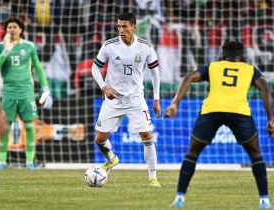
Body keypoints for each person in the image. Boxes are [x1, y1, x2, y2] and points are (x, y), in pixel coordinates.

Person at [165, 40, 274, 209]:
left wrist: (174, 103)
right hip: (240, 111)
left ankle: (180, 198)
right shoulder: (250, 69)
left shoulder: (213, 66)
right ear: (242, 55)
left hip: (212, 110)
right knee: (255, 154)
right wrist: (270, 119)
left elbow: (188, 77)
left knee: (192, 152)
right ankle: (265, 200)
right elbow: (266, 90)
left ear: (223, 54)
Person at [91, 13, 162, 187]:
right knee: (99, 139)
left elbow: (155, 72)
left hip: (135, 98)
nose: (121, 30)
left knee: (147, 135)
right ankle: (112, 159)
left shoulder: (145, 47)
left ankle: (153, 177)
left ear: (133, 27)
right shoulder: (109, 46)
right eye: (119, 26)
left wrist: (156, 98)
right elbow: (95, 67)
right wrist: (104, 87)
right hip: (113, 99)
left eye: (124, 26)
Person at [0, 17, 53, 170]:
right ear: (6, 30)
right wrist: (5, 52)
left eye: (14, 26)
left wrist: (46, 88)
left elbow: (38, 68)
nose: (11, 29)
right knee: (5, 128)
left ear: (20, 30)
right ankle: (1, 162)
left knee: (29, 127)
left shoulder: (29, 46)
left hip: (27, 93)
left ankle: (29, 162)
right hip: (8, 93)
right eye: (9, 27)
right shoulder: (0, 47)